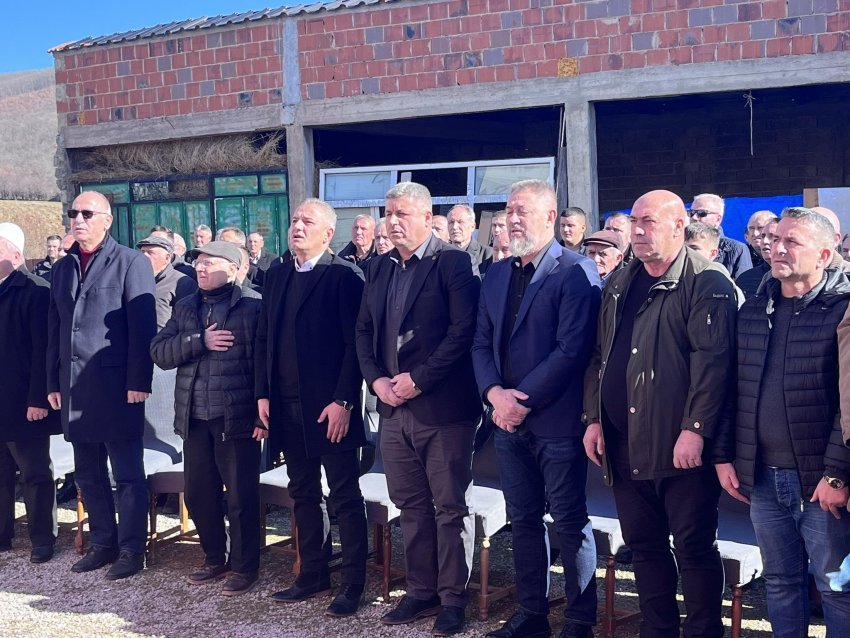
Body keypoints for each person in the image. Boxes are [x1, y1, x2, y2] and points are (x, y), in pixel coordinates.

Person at [584, 190, 736, 638]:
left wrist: (695, 429)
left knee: (693, 546)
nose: (638, 230)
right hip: (622, 439)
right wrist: (593, 417)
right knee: (644, 545)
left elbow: (714, 365)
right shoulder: (621, 280)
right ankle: (658, 629)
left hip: (679, 445)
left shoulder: (707, 281)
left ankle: (703, 631)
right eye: (634, 222)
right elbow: (600, 355)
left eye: (648, 222)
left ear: (678, 226)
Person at [472, 181, 601, 638]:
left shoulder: (576, 270)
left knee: (570, 522)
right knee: (523, 520)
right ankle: (532, 615)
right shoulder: (497, 273)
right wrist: (494, 395)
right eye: (508, 210)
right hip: (507, 423)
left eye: (521, 210)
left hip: (556, 422)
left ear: (550, 217)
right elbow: (480, 342)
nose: (512, 218)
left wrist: (518, 401)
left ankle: (580, 622)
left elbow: (571, 350)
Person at [356, 182, 481, 636]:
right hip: (392, 409)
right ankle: (421, 590)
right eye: (388, 213)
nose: (392, 222)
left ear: (428, 218)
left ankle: (452, 599)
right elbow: (363, 331)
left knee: (449, 508)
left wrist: (419, 380)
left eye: (401, 214)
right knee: (409, 505)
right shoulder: (380, 266)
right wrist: (376, 381)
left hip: (442, 409)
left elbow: (462, 332)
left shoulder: (452, 262)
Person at [721, 207, 850, 637]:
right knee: (779, 582)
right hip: (763, 478)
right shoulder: (754, 309)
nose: (777, 248)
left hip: (820, 482)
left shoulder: (842, 312)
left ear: (825, 255)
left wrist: (836, 474)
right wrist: (724, 456)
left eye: (792, 241)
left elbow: (847, 404)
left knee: (836, 587)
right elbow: (734, 390)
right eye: (775, 239)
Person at [255, 199, 368, 616]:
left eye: (308, 222)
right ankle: (313, 573)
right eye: (294, 220)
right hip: (284, 403)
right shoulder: (277, 274)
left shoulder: (344, 275)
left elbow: (356, 346)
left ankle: (353, 583)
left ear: (328, 233)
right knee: (302, 490)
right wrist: (262, 394)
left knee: (344, 494)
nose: (297, 227)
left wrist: (344, 401)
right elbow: (264, 338)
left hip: (329, 407)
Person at [46, 191, 157, 580]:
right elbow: (56, 327)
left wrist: (139, 380)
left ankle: (132, 549)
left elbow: (143, 327)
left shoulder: (130, 262)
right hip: (74, 387)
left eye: (87, 213)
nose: (78, 219)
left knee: (127, 475)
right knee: (88, 474)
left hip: (116, 387)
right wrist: (53, 380)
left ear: (107, 220)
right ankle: (103, 543)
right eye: (73, 212)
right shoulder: (63, 268)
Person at [150, 241, 263, 596]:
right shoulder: (186, 307)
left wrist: (262, 412)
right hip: (194, 416)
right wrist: (199, 340)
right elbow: (159, 352)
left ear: (233, 268)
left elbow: (266, 363)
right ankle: (216, 557)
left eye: (210, 263)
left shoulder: (253, 306)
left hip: (237, 417)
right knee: (199, 494)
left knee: (241, 497)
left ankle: (245, 566)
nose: (200, 268)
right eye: (198, 262)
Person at [0, 223, 60, 564]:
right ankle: (2, 535)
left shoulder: (36, 291)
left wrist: (38, 398)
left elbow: (43, 351)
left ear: (16, 254)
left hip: (25, 402)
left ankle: (42, 538)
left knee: (35, 472)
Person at [136, 235, 197, 331]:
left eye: (150, 252)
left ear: (167, 258)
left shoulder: (182, 283)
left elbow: (189, 325)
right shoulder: (136, 280)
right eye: (142, 252)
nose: (144, 256)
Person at [689, 193, 752, 278]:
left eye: (702, 213)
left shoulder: (737, 249)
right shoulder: (681, 245)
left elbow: (745, 283)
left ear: (718, 219)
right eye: (691, 212)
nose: (694, 217)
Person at [685, 223, 745, 306]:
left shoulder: (718, 285)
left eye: (694, 248)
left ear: (713, 254)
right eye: (682, 248)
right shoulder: (676, 277)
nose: (686, 252)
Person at [737, 215, 779, 299]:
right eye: (763, 236)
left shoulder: (795, 276)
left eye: (772, 236)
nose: (764, 241)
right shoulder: (746, 279)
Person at [447, 204, 492, 275]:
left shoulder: (487, 255)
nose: (454, 227)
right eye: (451, 222)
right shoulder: (440, 255)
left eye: (460, 222)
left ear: (472, 226)